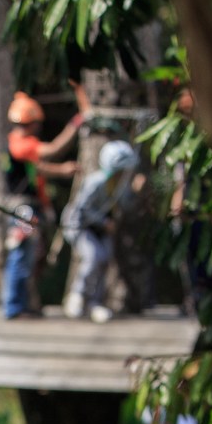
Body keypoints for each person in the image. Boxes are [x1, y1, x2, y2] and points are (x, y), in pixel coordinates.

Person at [0, 86, 87, 319]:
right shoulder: (20, 144)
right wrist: (76, 124)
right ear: (32, 122)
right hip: (22, 209)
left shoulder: (17, 145)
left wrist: (62, 171)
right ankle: (14, 308)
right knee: (20, 256)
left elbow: (39, 169)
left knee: (29, 258)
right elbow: (53, 150)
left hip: (27, 207)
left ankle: (24, 304)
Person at [61, 139, 142, 324]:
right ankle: (77, 295)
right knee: (93, 256)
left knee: (105, 259)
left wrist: (136, 192)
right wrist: (104, 222)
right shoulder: (96, 182)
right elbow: (82, 209)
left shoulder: (122, 185)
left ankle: (95, 303)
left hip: (102, 230)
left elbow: (125, 207)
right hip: (82, 227)